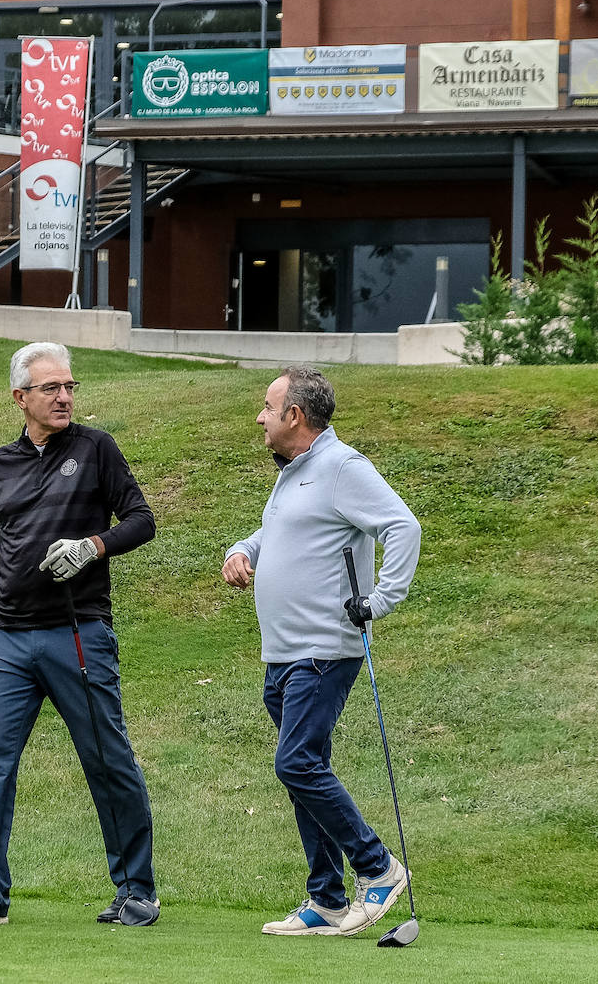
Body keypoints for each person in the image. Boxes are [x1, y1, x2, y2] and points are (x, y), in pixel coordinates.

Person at [0, 341, 160, 927]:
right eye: (51, 389)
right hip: (7, 639)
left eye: (69, 387)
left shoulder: (96, 449)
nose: (64, 397)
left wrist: (93, 545)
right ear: (21, 397)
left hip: (77, 631)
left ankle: (137, 891)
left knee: (106, 761)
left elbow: (142, 520)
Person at [222, 365, 422, 937]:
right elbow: (282, 532)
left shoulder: (342, 467)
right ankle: (327, 900)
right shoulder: (295, 472)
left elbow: (401, 528)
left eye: (266, 406)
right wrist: (243, 547)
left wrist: (380, 600)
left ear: (295, 416)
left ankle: (378, 869)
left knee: (298, 763)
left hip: (322, 649)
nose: (258, 417)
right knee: (301, 770)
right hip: (282, 652)